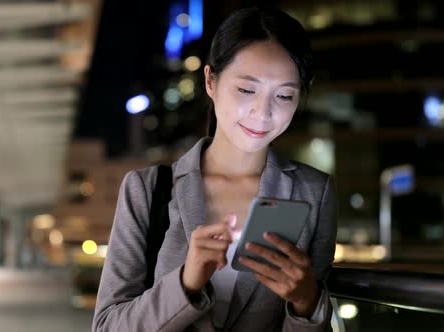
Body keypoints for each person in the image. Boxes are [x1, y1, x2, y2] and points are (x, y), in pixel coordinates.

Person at [93, 6, 337, 332]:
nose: (262, 112)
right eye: (246, 90)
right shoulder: (147, 189)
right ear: (211, 81)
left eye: (284, 95)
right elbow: (107, 327)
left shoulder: (314, 193)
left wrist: (307, 304)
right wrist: (185, 283)